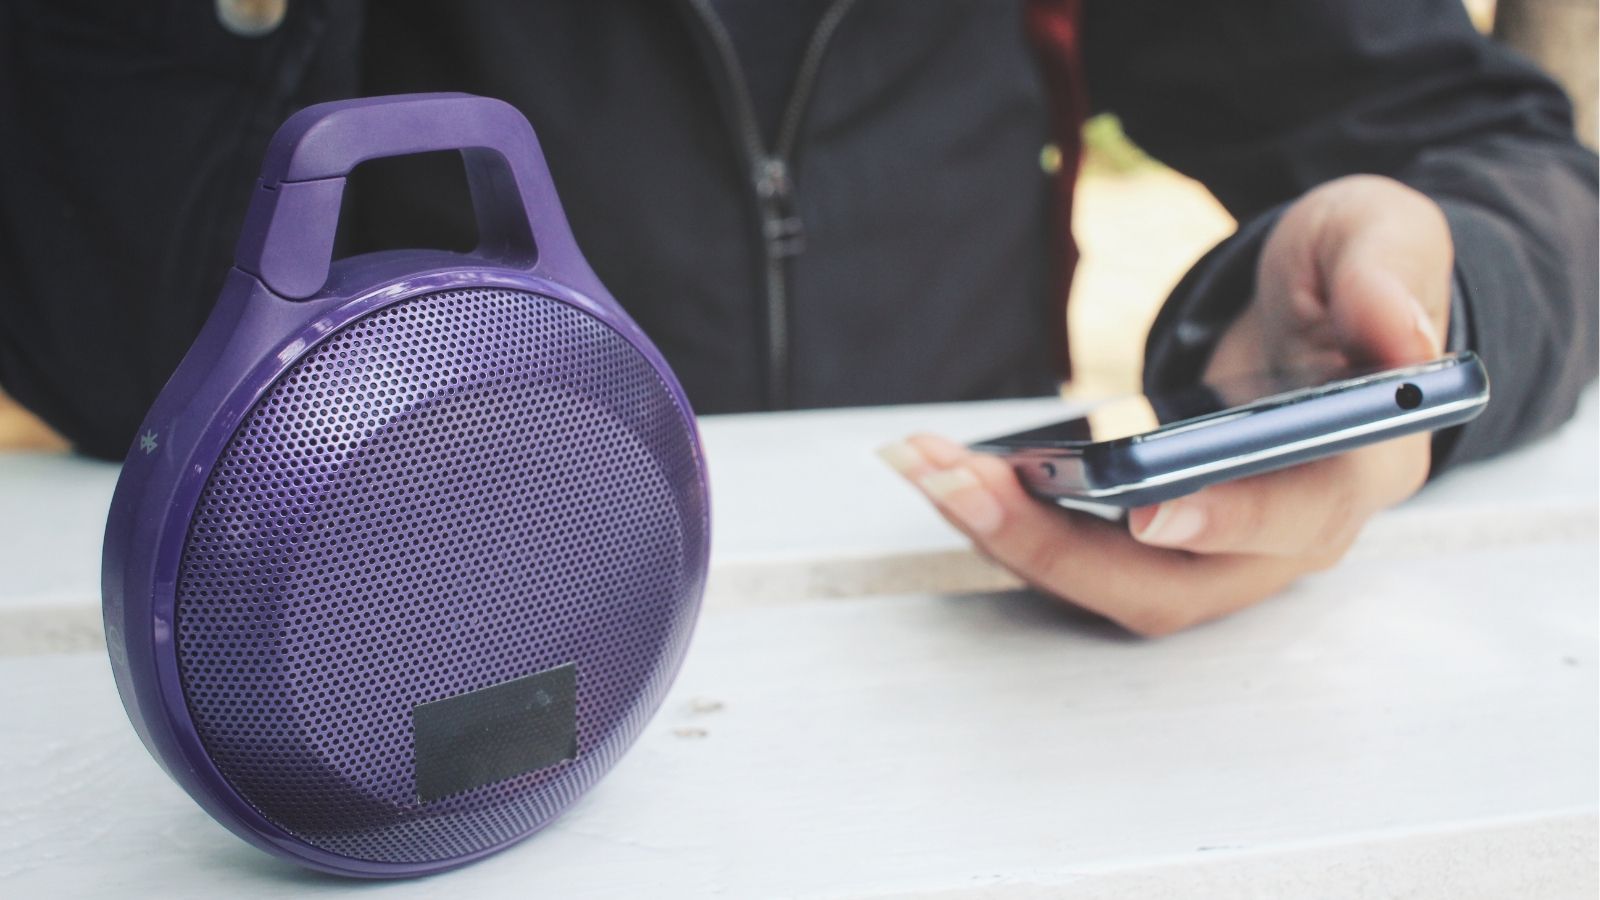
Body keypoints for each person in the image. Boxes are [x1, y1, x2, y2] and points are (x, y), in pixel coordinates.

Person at [2, 1, 1595, 634]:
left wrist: (1443, 296)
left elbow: (1515, 167)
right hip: (386, 673)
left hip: (963, 659)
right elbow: (103, 340)